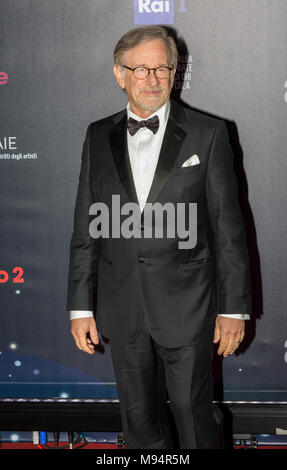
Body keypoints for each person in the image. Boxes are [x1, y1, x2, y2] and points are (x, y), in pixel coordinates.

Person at [67, 26, 251, 449]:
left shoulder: (209, 133)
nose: (152, 79)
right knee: (138, 422)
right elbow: (85, 228)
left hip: (190, 307)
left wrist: (234, 309)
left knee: (193, 414)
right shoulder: (97, 135)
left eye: (162, 69)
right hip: (122, 305)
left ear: (175, 72)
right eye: (141, 69)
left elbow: (228, 230)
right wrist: (80, 306)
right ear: (119, 74)